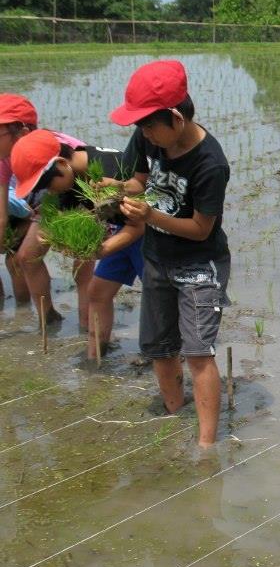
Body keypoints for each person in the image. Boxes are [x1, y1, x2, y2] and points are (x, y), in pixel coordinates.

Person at [107, 59, 231, 448]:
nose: (143, 134)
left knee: (197, 354)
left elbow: (200, 228)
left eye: (148, 125)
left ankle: (206, 447)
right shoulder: (148, 136)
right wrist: (114, 190)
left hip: (200, 264)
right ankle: (176, 417)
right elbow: (139, 179)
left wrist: (151, 215)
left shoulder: (211, 163)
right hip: (157, 257)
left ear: (175, 118)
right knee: (160, 347)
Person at [10, 129, 144, 360]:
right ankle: (95, 358)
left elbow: (140, 226)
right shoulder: (71, 179)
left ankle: (173, 352)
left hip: (152, 234)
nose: (48, 191)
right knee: (98, 292)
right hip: (123, 230)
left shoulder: (110, 171)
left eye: (46, 182)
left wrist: (101, 250)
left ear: (61, 163)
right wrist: (57, 236)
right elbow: (70, 217)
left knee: (161, 296)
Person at [0, 93, 84, 307]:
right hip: (42, 200)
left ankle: (89, 327)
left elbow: (82, 182)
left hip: (80, 194)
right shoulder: (4, 158)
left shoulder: (55, 147)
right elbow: (1, 215)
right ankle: (40, 317)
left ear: (22, 132)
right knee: (22, 258)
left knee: (83, 265)